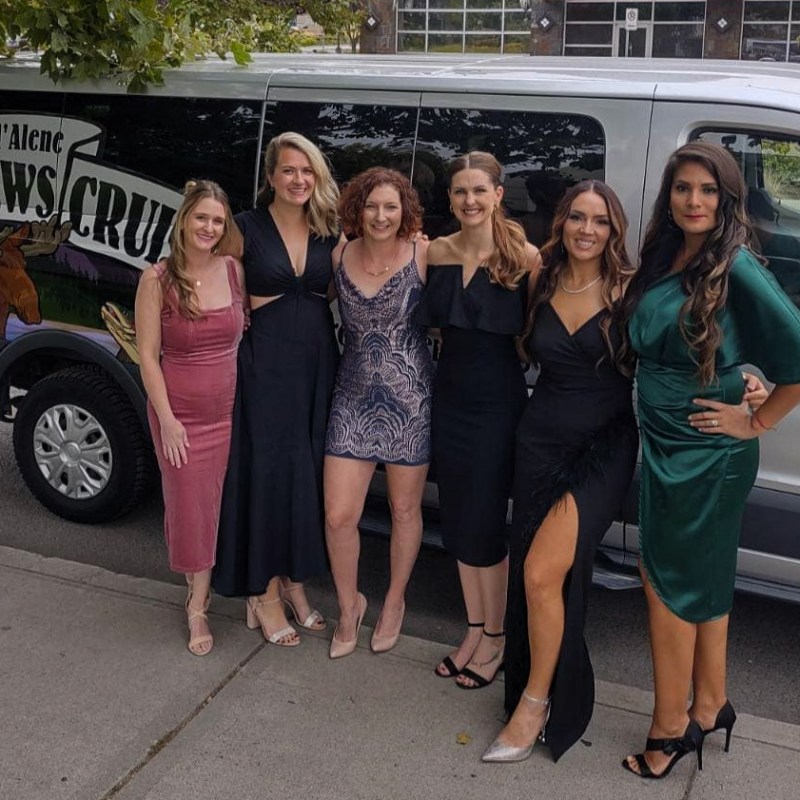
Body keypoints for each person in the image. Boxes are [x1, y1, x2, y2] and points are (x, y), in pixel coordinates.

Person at [619, 141, 800, 779]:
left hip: (705, 450)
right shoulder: (668, 254)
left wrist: (757, 420)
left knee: (665, 583)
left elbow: (798, 352)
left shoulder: (736, 264)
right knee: (700, 578)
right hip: (668, 439)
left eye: (707, 191)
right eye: (682, 189)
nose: (694, 201)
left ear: (727, 198)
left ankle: (670, 728)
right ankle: (711, 701)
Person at [481, 180, 639, 762]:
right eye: (577, 217)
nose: (587, 230)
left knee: (544, 573)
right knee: (531, 570)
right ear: (563, 222)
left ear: (614, 230)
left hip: (604, 446)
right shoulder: (540, 277)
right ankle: (534, 680)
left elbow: (680, 349)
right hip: (539, 439)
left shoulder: (630, 291)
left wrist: (741, 380)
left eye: (600, 221)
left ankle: (536, 701)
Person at [414, 151, 540, 689]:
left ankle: (497, 638)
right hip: (449, 400)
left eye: (479, 190)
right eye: (460, 191)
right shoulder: (435, 252)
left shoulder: (525, 257)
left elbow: (537, 337)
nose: (469, 200)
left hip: (497, 405)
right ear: (450, 198)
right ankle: (473, 628)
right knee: (459, 519)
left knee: (487, 525)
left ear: (497, 193)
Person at [212, 132, 340, 647]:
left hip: (315, 364)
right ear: (271, 177)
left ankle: (294, 583)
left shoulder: (329, 232)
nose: (299, 179)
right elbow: (197, 270)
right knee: (264, 473)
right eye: (289, 170)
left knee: (303, 475)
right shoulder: (243, 229)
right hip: (264, 364)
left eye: (307, 171)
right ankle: (262, 594)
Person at [324, 167, 433, 659]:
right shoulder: (339, 254)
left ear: (404, 211)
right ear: (357, 209)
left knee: (404, 510)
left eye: (391, 206)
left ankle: (393, 601)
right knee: (338, 515)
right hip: (351, 398)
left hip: (409, 401)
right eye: (372, 206)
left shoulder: (424, 254)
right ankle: (350, 607)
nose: (381, 215)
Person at [135, 180, 245, 656]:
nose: (209, 227)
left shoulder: (234, 271)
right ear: (183, 220)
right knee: (191, 512)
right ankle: (197, 604)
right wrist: (169, 419)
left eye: (218, 220)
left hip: (230, 413)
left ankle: (237, 592)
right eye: (201, 217)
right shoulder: (156, 279)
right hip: (180, 418)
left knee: (224, 506)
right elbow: (147, 355)